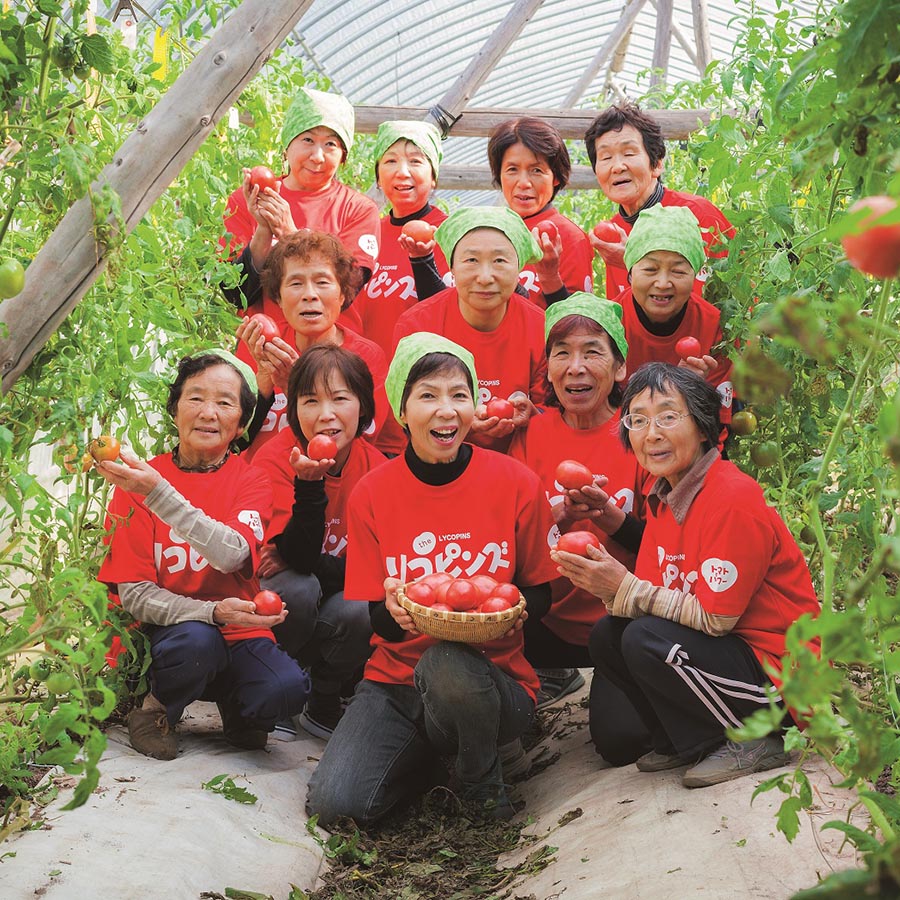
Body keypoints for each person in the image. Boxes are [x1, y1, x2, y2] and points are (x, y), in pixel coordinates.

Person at [306, 333, 559, 824]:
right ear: (401, 411)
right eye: (428, 395)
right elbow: (377, 618)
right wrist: (396, 613)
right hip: (395, 684)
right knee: (338, 807)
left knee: (449, 663)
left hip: (495, 682)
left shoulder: (516, 483)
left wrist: (513, 610)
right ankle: (431, 756)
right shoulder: (372, 493)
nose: (446, 410)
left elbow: (541, 593)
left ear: (475, 406)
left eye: (459, 395)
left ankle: (481, 777)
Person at [553, 363, 820, 786]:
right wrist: (609, 588)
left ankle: (764, 737)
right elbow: (654, 598)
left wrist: (622, 586)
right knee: (611, 634)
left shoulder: (731, 498)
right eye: (638, 420)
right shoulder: (664, 496)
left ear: (702, 426)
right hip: (735, 658)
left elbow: (716, 619)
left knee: (643, 637)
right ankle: (686, 741)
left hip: (781, 678)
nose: (651, 433)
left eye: (667, 416)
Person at [96, 350, 310, 760]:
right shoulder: (136, 484)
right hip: (174, 636)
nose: (208, 412)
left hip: (239, 631)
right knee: (197, 644)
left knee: (285, 690)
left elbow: (231, 555)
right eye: (195, 398)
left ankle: (238, 703)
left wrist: (158, 494)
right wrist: (210, 613)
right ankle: (155, 709)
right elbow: (136, 595)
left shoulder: (252, 479)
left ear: (242, 423)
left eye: (225, 402)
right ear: (174, 409)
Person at [508, 295, 652, 762]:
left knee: (622, 742)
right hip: (542, 618)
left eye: (592, 351)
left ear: (620, 366)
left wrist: (611, 518)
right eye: (561, 353)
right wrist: (557, 516)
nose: (576, 367)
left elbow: (667, 546)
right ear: (546, 368)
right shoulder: (530, 432)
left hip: (620, 622)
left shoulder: (644, 438)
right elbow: (500, 538)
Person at [251, 345, 386, 739]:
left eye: (340, 399)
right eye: (311, 401)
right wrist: (308, 486)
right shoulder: (276, 459)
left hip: (335, 597)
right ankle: (275, 685)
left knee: (363, 606)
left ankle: (324, 695)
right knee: (293, 585)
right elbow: (293, 556)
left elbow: (374, 571)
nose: (326, 414)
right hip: (294, 602)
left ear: (363, 407)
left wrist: (313, 564)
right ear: (294, 410)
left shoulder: (377, 470)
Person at [221, 86, 380, 326]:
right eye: (308, 140)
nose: (318, 156)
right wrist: (263, 231)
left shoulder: (358, 209)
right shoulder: (248, 200)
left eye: (331, 144)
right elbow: (234, 294)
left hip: (328, 356)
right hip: (262, 348)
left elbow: (347, 291)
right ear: (287, 146)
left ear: (343, 156)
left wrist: (289, 234)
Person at [392, 206, 547, 451]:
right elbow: (405, 411)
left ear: (519, 269)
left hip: (519, 462)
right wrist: (457, 416)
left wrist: (533, 412)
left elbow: (552, 411)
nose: (485, 277)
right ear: (452, 267)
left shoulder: (541, 327)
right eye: (471, 260)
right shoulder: (418, 326)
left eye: (499, 261)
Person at [236, 230, 389, 459]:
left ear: (342, 295)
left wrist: (295, 387)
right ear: (277, 297)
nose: (310, 295)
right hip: (262, 483)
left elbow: (361, 439)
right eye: (296, 283)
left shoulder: (365, 357)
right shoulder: (258, 347)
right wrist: (264, 381)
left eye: (322, 282)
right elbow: (235, 441)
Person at [350, 121, 451, 456]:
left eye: (416, 161)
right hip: (369, 389)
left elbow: (447, 311)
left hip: (425, 389)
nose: (402, 171)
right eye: (390, 161)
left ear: (433, 176)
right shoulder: (365, 234)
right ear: (378, 175)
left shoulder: (450, 234)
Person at [584, 103, 734, 300]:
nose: (617, 166)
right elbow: (624, 315)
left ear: (657, 164)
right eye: (605, 157)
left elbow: (720, 309)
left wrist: (633, 263)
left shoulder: (698, 217)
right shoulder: (615, 232)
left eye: (629, 153)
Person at [616, 205, 733, 426]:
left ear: (695, 275)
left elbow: (718, 426)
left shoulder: (715, 327)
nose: (662, 283)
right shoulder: (609, 324)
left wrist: (696, 391)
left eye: (678, 271)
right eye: (650, 270)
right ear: (630, 273)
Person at [487, 116, 594, 307]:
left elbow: (578, 319)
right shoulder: (490, 232)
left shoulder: (568, 237)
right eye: (512, 169)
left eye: (536, 170)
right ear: (499, 175)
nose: (524, 183)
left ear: (555, 177)